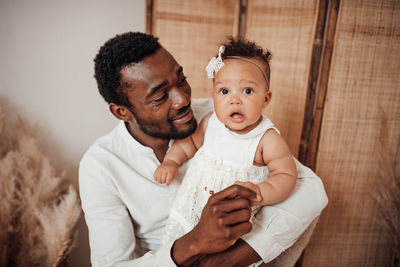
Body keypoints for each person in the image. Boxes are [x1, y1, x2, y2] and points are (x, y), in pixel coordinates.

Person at [79, 31, 328, 267]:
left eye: (181, 80)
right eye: (159, 97)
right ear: (121, 111)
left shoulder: (224, 115)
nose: (182, 100)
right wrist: (195, 242)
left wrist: (227, 260)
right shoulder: (100, 166)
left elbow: (310, 190)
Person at [155, 38, 299, 248]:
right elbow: (189, 144)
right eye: (224, 91)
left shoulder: (266, 139)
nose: (235, 100)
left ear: (266, 99)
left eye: (247, 91)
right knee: (181, 247)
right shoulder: (211, 123)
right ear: (214, 95)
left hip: (231, 222)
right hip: (192, 209)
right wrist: (171, 162)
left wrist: (260, 191)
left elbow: (286, 175)